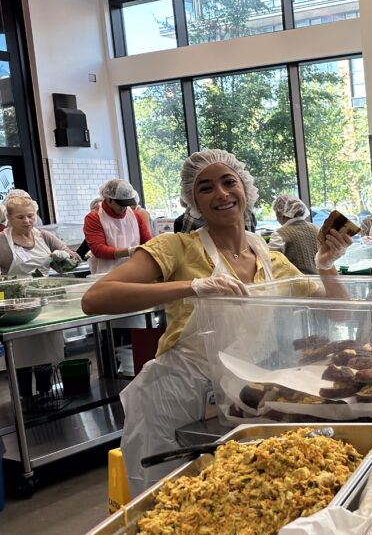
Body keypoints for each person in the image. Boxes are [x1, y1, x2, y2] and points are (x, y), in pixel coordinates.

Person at [82, 149, 352, 495]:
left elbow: (340, 311)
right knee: (167, 503)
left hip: (239, 396)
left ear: (246, 189)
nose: (221, 194)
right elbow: (95, 298)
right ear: (193, 201)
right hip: (174, 399)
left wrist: (327, 266)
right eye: (206, 188)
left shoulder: (271, 260)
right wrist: (192, 286)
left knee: (230, 500)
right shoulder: (176, 248)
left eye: (229, 182)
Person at [0, 190, 81, 398]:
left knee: (45, 352)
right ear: (9, 218)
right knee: (21, 355)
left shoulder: (44, 236)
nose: (27, 221)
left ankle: (45, 394)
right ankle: (24, 399)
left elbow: (73, 262)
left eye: (30, 216)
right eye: (20, 217)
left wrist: (65, 256)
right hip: (16, 309)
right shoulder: (2, 243)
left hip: (46, 304)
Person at [83, 179, 152, 275]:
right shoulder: (94, 218)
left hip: (134, 272)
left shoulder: (135, 216)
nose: (124, 208)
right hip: (107, 275)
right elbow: (98, 249)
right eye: (121, 204)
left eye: (126, 204)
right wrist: (129, 251)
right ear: (108, 199)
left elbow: (148, 243)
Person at [267, 194, 319, 274]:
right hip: (320, 281)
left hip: (297, 283)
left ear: (283, 215)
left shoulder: (280, 234)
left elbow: (268, 259)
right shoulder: (316, 228)